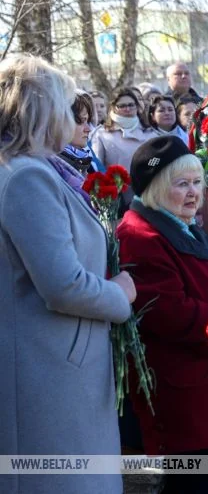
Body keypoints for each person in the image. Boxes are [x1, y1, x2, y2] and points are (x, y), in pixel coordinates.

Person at [0, 54, 136, 494]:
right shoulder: (26, 177)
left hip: (62, 364)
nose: (74, 115)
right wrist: (120, 294)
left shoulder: (40, 170)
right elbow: (63, 286)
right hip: (49, 372)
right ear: (41, 109)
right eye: (65, 104)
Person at [117, 136, 208, 492]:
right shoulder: (141, 234)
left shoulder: (179, 224)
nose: (194, 193)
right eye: (182, 184)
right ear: (157, 188)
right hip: (183, 388)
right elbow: (167, 311)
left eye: (197, 183)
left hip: (205, 379)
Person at [91, 88, 158, 206]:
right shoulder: (101, 134)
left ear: (137, 106)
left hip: (148, 192)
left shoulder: (149, 132)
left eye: (131, 105)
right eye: (122, 106)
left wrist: (147, 171)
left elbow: (158, 159)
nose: (127, 109)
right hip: (118, 197)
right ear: (113, 107)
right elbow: (97, 166)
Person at [59, 91, 103, 175]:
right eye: (81, 121)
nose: (88, 129)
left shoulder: (82, 154)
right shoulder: (55, 165)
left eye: (88, 121)